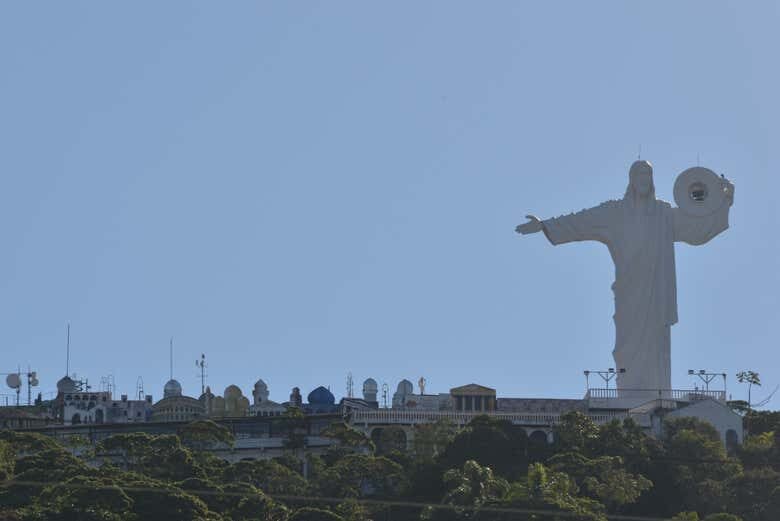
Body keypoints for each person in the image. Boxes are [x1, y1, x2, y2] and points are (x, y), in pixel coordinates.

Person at [516, 160, 733, 393]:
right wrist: (545, 225)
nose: (644, 179)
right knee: (627, 346)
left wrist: (724, 201)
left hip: (656, 293)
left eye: (648, 174)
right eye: (639, 174)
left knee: (657, 342)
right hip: (629, 292)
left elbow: (697, 229)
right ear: (631, 179)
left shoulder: (664, 214)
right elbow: (581, 221)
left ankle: (658, 393)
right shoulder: (614, 213)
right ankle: (630, 394)